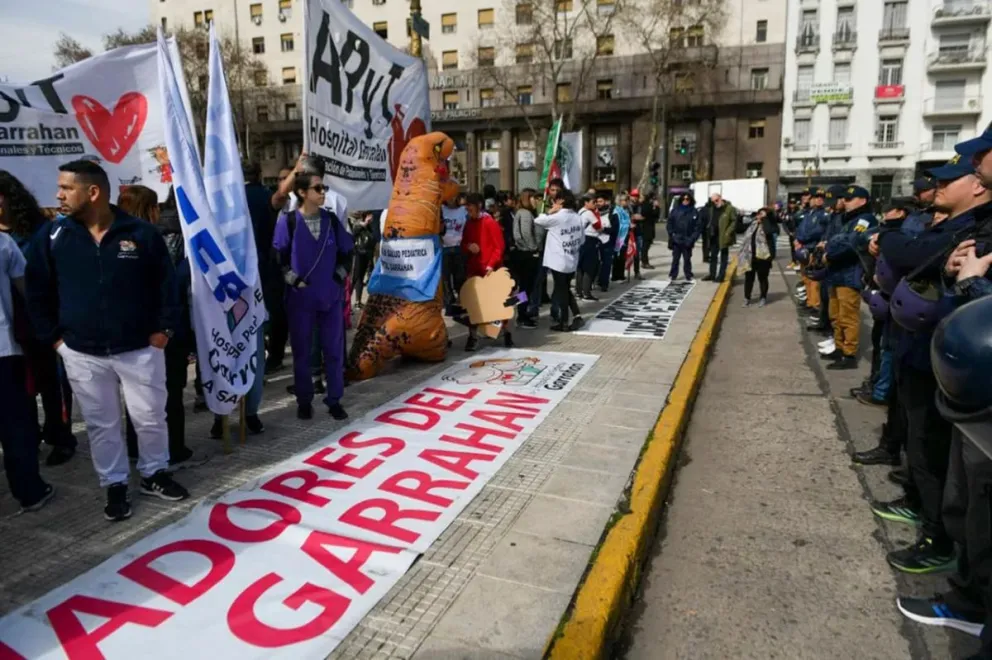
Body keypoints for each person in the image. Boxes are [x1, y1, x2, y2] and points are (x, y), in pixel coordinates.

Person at [25, 160, 188, 522]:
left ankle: (153, 473)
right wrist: (55, 340)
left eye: (66, 188)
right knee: (102, 424)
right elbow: (36, 292)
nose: (58, 195)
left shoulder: (142, 234)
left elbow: (168, 287)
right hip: (81, 352)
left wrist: (164, 331)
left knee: (149, 418)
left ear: (93, 192)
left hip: (141, 348)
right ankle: (114, 483)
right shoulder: (54, 237)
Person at [872, 154, 991, 574]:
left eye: (947, 181)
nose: (935, 188)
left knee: (932, 448)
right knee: (919, 441)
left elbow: (906, 252)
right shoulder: (941, 224)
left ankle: (936, 537)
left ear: (976, 187)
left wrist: (886, 238)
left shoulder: (971, 231)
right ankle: (922, 506)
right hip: (916, 346)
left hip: (943, 356)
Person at [116, 186, 207, 466]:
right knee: (169, 392)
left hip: (129, 333)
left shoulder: (108, 241)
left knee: (137, 395)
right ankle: (173, 448)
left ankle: (136, 448)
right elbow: (173, 285)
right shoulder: (155, 241)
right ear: (151, 209)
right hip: (164, 332)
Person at [0, 170, 77, 466]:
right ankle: (28, 437)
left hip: (41, 320)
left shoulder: (40, 231)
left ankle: (61, 436)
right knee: (20, 386)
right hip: (9, 326)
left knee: (52, 383)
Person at [273, 172, 354, 421]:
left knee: (334, 351)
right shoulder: (288, 222)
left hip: (330, 298)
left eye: (323, 188)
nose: (323, 192)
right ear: (301, 193)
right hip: (301, 300)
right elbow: (278, 258)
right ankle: (304, 400)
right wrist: (294, 280)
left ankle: (334, 399)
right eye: (318, 188)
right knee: (302, 352)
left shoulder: (330, 220)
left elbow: (347, 251)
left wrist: (338, 278)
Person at [0, 229, 56, 512]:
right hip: (4, 350)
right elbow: (26, 289)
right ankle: (29, 490)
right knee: (15, 424)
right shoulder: (2, 241)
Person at [821, 186, 876, 370]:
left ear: (863, 201)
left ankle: (849, 353)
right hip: (836, 273)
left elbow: (853, 243)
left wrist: (830, 254)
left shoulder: (865, 219)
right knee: (835, 314)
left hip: (850, 273)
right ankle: (839, 346)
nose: (846, 201)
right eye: (845, 198)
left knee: (848, 316)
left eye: (850, 198)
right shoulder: (846, 219)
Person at [461, 192, 509, 351]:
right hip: (474, 270)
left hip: (490, 271)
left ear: (478, 206)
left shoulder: (489, 222)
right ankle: (472, 336)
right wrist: (468, 247)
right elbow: (463, 244)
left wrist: (490, 265)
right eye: (466, 207)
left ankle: (505, 331)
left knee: (497, 304)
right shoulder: (468, 224)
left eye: (470, 206)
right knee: (472, 305)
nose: (467, 209)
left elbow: (499, 247)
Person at [535, 189, 584, 332]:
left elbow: (538, 220)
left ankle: (565, 322)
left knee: (562, 291)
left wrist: (550, 212)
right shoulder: (576, 216)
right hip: (571, 258)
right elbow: (582, 239)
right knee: (565, 289)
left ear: (560, 201)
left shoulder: (558, 217)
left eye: (554, 200)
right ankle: (576, 316)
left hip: (558, 260)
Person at [511, 188, 544, 328]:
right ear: (527, 198)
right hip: (527, 255)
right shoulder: (524, 214)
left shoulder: (528, 213)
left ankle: (522, 312)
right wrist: (533, 248)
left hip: (528, 253)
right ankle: (522, 314)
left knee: (527, 287)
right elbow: (524, 234)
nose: (536, 201)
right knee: (525, 287)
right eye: (534, 198)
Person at [739, 207, 775, 307]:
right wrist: (739, 217)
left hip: (763, 257)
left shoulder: (770, 224)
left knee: (762, 278)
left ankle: (763, 297)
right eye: (759, 214)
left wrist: (764, 220)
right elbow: (739, 229)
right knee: (749, 278)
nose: (759, 216)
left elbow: (769, 231)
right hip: (750, 255)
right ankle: (747, 298)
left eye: (763, 214)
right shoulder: (752, 224)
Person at [577, 193, 608, 301]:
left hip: (580, 240)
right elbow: (598, 227)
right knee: (589, 267)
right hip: (589, 241)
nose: (595, 204)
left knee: (580, 267)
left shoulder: (580, 211)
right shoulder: (589, 213)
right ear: (586, 202)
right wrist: (604, 228)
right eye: (593, 202)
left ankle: (579, 292)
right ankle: (586, 293)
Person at [441, 194, 468, 311]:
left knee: (460, 277)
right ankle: (448, 304)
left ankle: (462, 302)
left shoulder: (463, 210)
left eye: (453, 196)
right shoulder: (440, 209)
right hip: (444, 248)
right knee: (445, 279)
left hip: (458, 248)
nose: (451, 198)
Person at [702, 193, 736, 282]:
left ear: (720, 198)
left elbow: (734, 221)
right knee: (713, 256)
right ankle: (712, 274)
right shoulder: (712, 209)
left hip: (723, 236)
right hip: (714, 235)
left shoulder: (729, 209)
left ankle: (721, 276)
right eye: (713, 201)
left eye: (716, 200)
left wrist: (728, 232)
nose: (715, 203)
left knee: (723, 257)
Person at [666, 192, 700, 282]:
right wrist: (672, 234)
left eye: (687, 199)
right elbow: (669, 224)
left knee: (687, 259)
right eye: (684, 199)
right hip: (676, 239)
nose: (685, 201)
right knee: (675, 259)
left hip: (688, 239)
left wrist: (692, 238)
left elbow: (697, 227)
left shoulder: (694, 211)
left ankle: (688, 274)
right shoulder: (675, 211)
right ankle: (673, 274)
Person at [351, 211, 377, 308]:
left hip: (367, 255)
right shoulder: (358, 224)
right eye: (370, 215)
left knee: (361, 279)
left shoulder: (369, 228)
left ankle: (358, 301)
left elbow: (372, 240)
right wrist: (364, 223)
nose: (372, 218)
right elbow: (354, 232)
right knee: (355, 278)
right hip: (358, 254)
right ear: (365, 216)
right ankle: (347, 301)